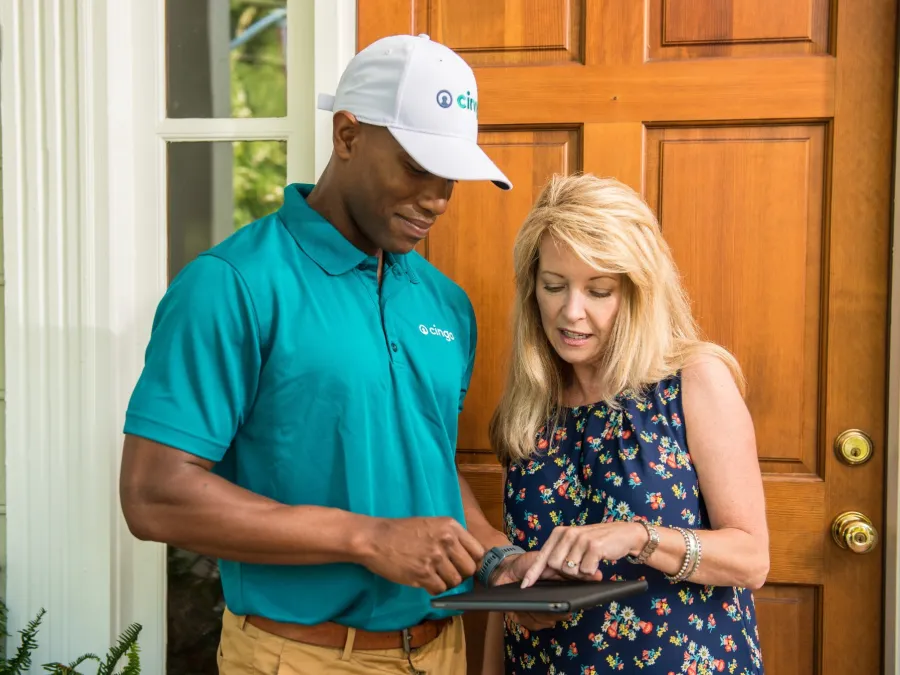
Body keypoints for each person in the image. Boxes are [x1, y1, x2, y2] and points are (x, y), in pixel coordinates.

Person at [119, 33, 530, 675]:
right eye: (417, 167)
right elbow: (152, 494)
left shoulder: (444, 304)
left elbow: (426, 463)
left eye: (451, 176)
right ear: (346, 135)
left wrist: (496, 555)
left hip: (443, 651)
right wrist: (365, 538)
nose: (437, 199)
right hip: (299, 656)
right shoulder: (233, 284)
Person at [481, 174, 769, 674]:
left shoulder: (693, 381)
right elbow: (513, 585)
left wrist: (638, 536)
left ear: (636, 293)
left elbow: (750, 559)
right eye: (554, 287)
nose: (572, 312)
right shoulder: (529, 408)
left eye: (599, 291)